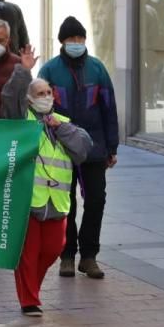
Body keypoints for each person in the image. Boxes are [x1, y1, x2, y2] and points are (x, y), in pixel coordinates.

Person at [0, 53, 93, 316]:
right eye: (39, 93)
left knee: (52, 250)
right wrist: (22, 71)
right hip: (28, 201)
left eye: (48, 92)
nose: (46, 96)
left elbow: (83, 148)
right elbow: (9, 99)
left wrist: (60, 128)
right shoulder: (21, 122)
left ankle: (32, 291)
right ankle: (29, 300)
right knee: (28, 254)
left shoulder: (63, 123)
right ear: (29, 99)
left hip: (57, 203)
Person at [40, 16, 119, 281]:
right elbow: (39, 106)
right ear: (62, 42)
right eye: (71, 39)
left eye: (80, 39)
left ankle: (89, 256)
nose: (76, 43)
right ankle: (67, 256)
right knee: (67, 203)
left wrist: (112, 146)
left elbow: (109, 109)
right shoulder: (50, 70)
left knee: (96, 199)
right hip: (60, 147)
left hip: (94, 147)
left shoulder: (97, 69)